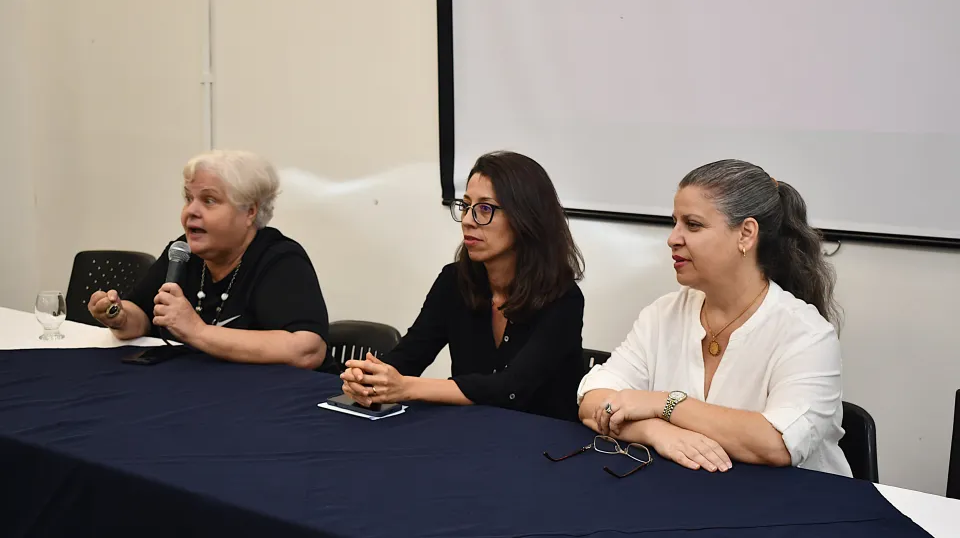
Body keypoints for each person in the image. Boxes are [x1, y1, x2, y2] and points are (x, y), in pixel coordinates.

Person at [578, 159, 852, 477]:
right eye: (675, 223)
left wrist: (665, 404)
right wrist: (655, 432)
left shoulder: (807, 333)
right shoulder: (663, 314)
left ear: (746, 234)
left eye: (693, 225)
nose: (673, 238)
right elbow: (593, 400)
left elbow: (777, 442)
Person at [340, 151, 585, 421]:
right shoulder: (454, 281)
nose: (468, 220)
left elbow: (512, 389)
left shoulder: (563, 298)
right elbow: (410, 357)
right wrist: (369, 378)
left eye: (485, 209)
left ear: (525, 219)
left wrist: (406, 387)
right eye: (466, 206)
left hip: (542, 438)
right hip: (468, 430)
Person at [87, 149, 329, 369]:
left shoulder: (280, 259)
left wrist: (197, 331)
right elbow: (143, 315)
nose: (191, 211)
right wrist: (120, 317)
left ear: (250, 211)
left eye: (209, 200)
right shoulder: (183, 252)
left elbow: (307, 350)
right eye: (188, 199)